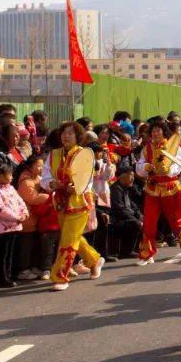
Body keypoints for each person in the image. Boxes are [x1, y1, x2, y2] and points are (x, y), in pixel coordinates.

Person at [41, 122, 104, 291]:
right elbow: (45, 176)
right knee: (73, 238)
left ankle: (60, 277)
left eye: (70, 133)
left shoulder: (84, 154)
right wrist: (51, 183)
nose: (66, 136)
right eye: (64, 133)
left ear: (78, 137)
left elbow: (87, 180)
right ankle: (94, 260)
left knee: (68, 240)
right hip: (61, 202)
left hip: (79, 202)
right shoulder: (53, 155)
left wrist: (75, 187)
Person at [135, 117, 181, 265]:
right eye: (153, 131)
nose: (155, 133)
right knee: (149, 222)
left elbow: (179, 165)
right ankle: (147, 254)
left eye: (158, 130)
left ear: (164, 132)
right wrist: (146, 167)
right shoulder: (146, 148)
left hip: (171, 188)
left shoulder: (173, 146)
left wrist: (167, 169)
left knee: (177, 220)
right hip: (152, 189)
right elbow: (139, 166)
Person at [0, 164, 27, 288]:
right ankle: (1, 277)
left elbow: (20, 202)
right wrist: (16, 217)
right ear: (0, 176)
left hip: (13, 226)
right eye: (9, 174)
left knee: (10, 253)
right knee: (2, 254)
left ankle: (8, 275)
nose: (11, 176)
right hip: (1, 228)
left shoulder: (10, 188)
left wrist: (24, 213)